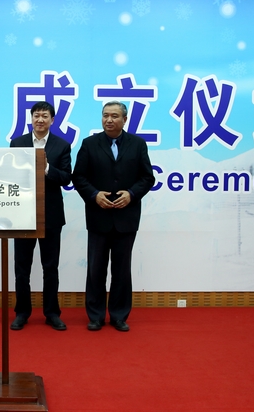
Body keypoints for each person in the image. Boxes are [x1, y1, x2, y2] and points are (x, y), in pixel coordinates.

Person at [72, 101, 155, 332]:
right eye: (105, 115)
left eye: (115, 116)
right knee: (95, 269)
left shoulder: (137, 144)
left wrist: (131, 194)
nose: (109, 120)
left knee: (122, 270)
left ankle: (119, 315)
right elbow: (79, 177)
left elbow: (147, 178)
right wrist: (94, 195)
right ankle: (96, 316)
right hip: (98, 216)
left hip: (126, 217)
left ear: (124, 120)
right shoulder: (89, 144)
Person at [9, 101, 72, 331]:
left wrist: (45, 168)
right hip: (22, 214)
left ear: (52, 120)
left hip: (51, 215)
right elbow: (10, 175)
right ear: (31, 118)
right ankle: (22, 312)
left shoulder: (62, 145)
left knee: (50, 267)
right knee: (21, 268)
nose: (40, 119)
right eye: (36, 115)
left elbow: (66, 177)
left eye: (45, 116)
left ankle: (52, 313)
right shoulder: (18, 143)